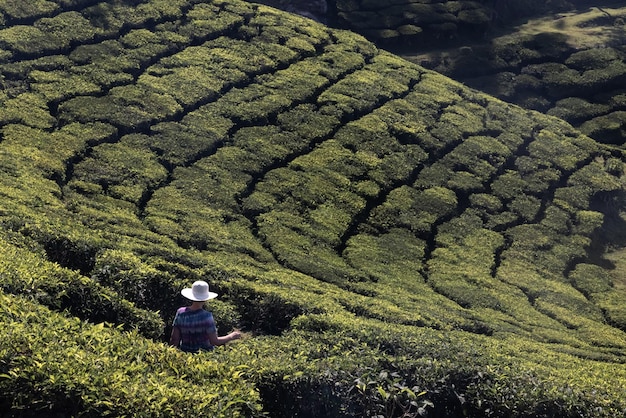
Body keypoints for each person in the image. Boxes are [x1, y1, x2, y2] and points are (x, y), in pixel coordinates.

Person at [169, 280, 241, 353]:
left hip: (185, 355)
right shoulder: (207, 317)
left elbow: (174, 339)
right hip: (204, 357)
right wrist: (232, 336)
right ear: (205, 299)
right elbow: (215, 341)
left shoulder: (180, 312)